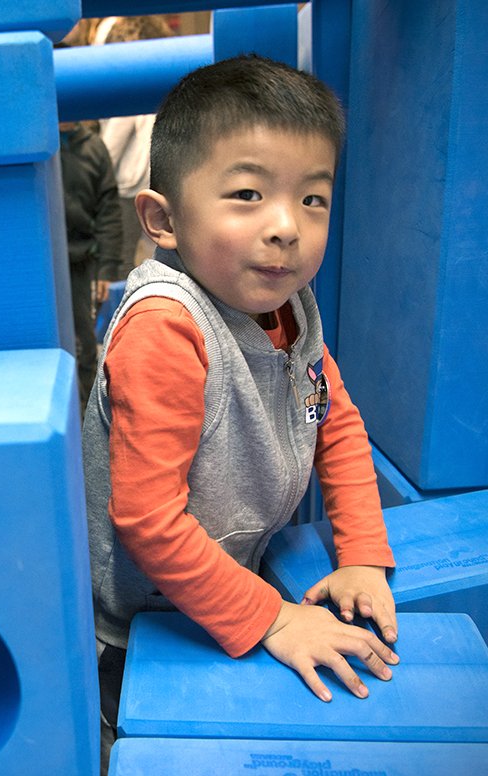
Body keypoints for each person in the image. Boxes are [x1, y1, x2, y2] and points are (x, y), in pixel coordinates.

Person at [83, 54, 400, 746]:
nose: (286, 225)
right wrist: (277, 618)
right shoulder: (167, 331)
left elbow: (336, 426)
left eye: (312, 199)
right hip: (136, 629)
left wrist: (363, 554)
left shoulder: (293, 311)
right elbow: (147, 519)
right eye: (249, 195)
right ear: (163, 220)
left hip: (226, 591)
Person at [97, 15, 175, 276]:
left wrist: (100, 174)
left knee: (125, 258)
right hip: (153, 182)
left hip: (129, 186)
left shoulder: (125, 86)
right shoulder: (161, 80)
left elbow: (111, 146)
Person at [59, 117, 124, 407]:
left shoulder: (94, 149)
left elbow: (108, 212)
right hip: (40, 263)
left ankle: (86, 420)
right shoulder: (37, 142)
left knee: (85, 346)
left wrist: (107, 268)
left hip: (79, 263)